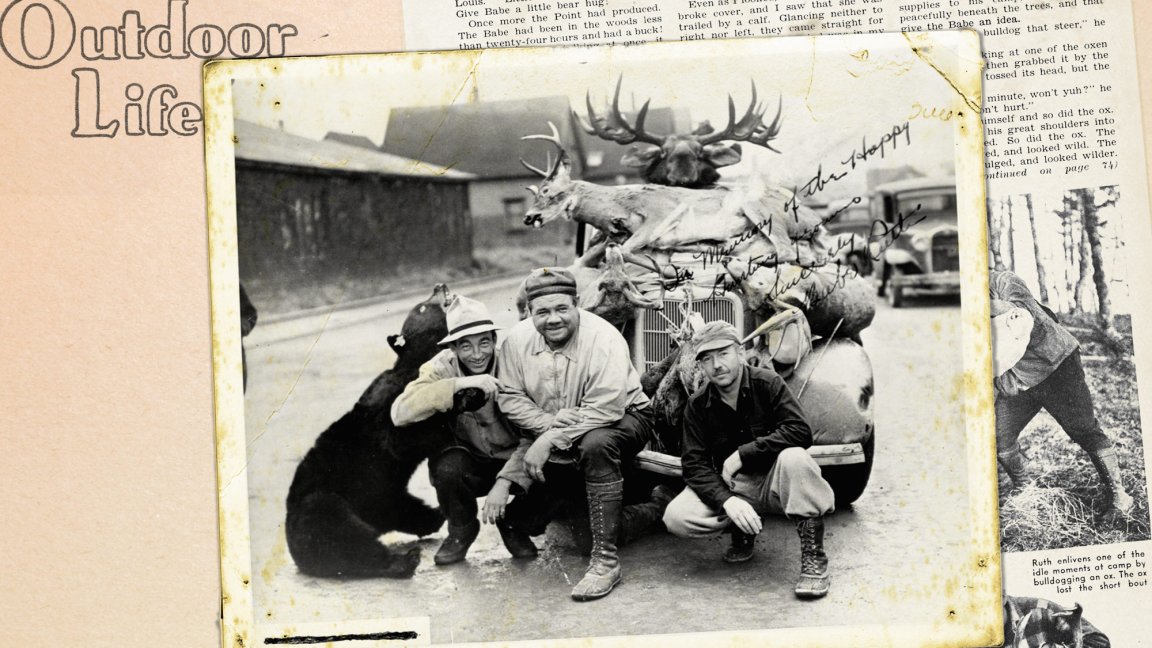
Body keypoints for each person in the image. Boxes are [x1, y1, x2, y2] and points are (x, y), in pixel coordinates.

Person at [496, 267, 670, 601]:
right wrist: (549, 425)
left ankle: (606, 562)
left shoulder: (603, 337)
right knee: (579, 533)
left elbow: (607, 409)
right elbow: (510, 397)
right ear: (529, 312)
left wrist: (549, 439)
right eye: (542, 311)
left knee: (596, 443)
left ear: (577, 303)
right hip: (559, 426)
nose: (553, 319)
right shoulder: (516, 341)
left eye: (562, 308)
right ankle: (650, 505)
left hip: (625, 418)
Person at [662, 320, 836, 599]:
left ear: (740, 353)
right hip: (734, 488)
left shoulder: (767, 383)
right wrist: (727, 501)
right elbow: (694, 466)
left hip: (774, 482)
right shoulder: (697, 404)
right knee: (676, 516)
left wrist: (745, 453)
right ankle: (742, 528)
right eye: (707, 359)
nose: (716, 365)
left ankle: (814, 558)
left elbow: (800, 431)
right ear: (701, 366)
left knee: (796, 459)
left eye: (723, 354)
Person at [390, 295, 531, 565]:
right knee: (447, 469)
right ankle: (462, 529)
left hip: (515, 457)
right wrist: (457, 385)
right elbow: (400, 412)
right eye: (465, 346)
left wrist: (506, 482)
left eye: (484, 343)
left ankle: (515, 523)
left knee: (550, 468)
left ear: (494, 340)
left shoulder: (514, 364)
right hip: (472, 460)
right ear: (453, 347)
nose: (477, 354)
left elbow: (534, 433)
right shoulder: (441, 366)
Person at [990, 269, 1134, 516]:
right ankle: (1026, 485)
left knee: (1084, 429)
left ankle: (1120, 496)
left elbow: (1023, 317)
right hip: (1021, 377)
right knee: (998, 434)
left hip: (1056, 363)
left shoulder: (1004, 280)